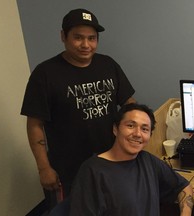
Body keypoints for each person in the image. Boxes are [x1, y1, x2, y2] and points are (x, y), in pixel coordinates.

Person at [20, 8, 136, 211]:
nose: (86, 45)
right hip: (68, 171)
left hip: (110, 162)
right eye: (78, 38)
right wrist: (44, 168)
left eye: (92, 38)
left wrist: (135, 137)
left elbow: (129, 104)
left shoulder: (108, 64)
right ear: (63, 36)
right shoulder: (45, 74)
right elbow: (34, 124)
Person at [69, 103, 194, 216]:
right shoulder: (92, 171)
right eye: (130, 125)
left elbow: (184, 187)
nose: (137, 134)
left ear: (149, 136)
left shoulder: (148, 161)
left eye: (144, 129)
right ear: (115, 129)